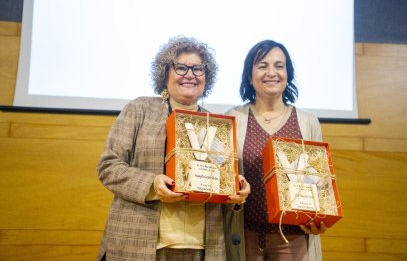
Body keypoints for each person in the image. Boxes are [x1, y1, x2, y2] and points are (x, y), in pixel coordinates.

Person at [97, 36, 250, 261]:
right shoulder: (140, 109)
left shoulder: (217, 125)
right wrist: (152, 184)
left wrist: (236, 193)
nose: (190, 74)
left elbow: (224, 182)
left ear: (207, 77)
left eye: (198, 69)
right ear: (165, 73)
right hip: (139, 244)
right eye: (181, 67)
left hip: (202, 247)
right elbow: (108, 166)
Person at [225, 40, 327, 261]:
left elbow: (321, 184)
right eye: (262, 65)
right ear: (250, 76)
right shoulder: (233, 117)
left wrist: (320, 217)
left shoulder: (308, 122)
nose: (271, 72)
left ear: (287, 74)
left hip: (294, 238)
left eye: (279, 66)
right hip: (245, 235)